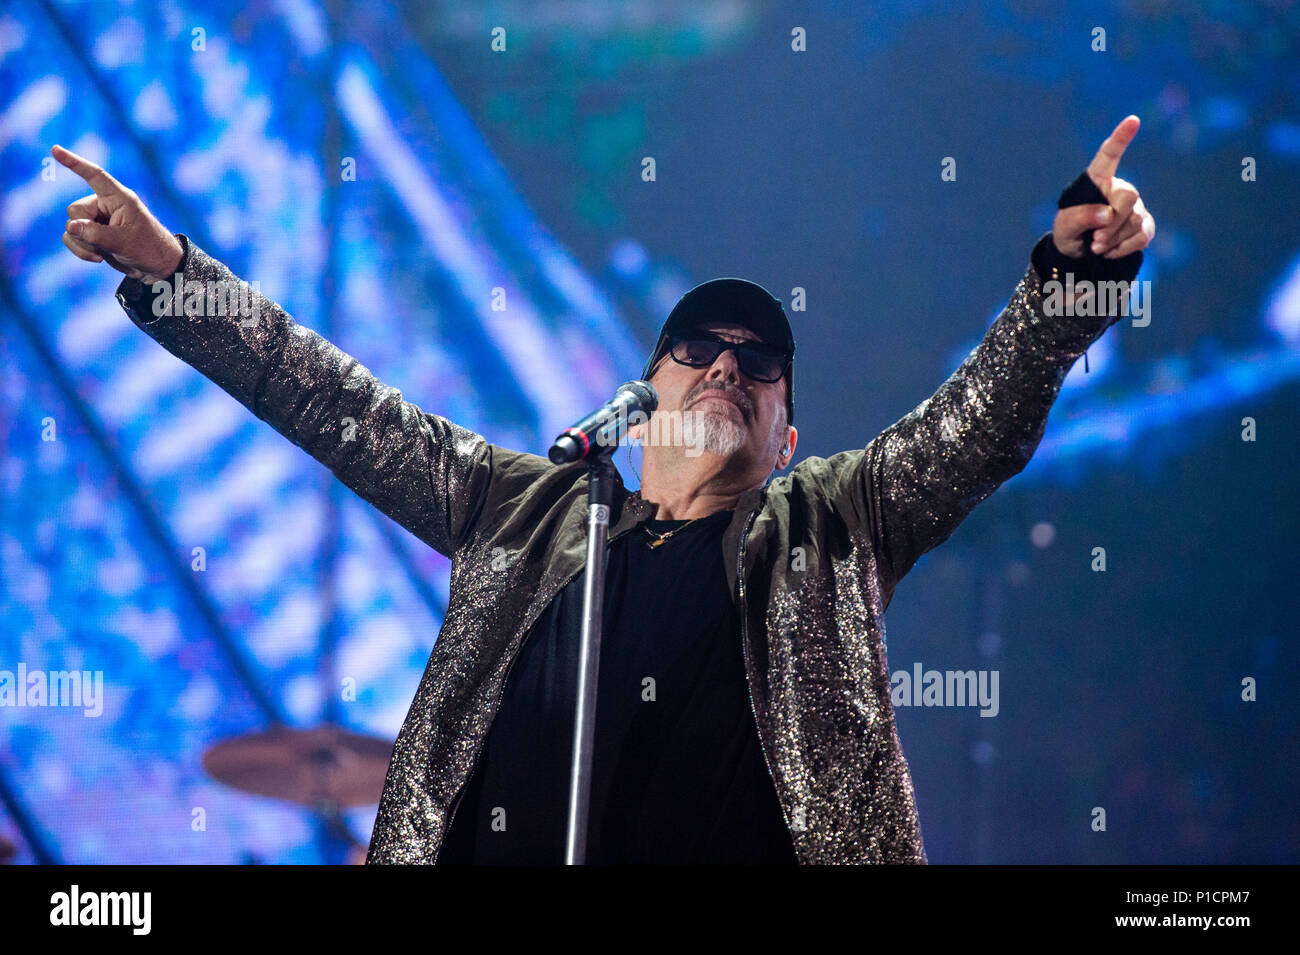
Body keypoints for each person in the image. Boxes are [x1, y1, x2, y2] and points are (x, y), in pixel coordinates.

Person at [52, 115, 1155, 864]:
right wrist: (172, 275)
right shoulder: (523, 512)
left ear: (786, 437)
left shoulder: (833, 523)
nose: (727, 364)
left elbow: (983, 417)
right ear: (644, 392)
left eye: (759, 360)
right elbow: (336, 402)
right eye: (698, 346)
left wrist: (1073, 281)